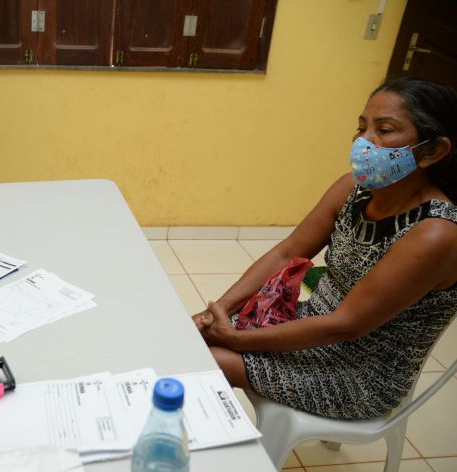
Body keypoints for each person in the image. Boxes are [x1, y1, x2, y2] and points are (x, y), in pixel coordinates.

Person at [193, 77, 457, 421]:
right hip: (313, 326)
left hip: (359, 374)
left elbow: (346, 326)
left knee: (203, 360)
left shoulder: (435, 232)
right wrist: (221, 310)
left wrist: (239, 341)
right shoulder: (352, 189)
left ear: (432, 151)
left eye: (385, 130)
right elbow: (286, 253)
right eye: (362, 127)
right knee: (192, 336)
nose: (364, 142)